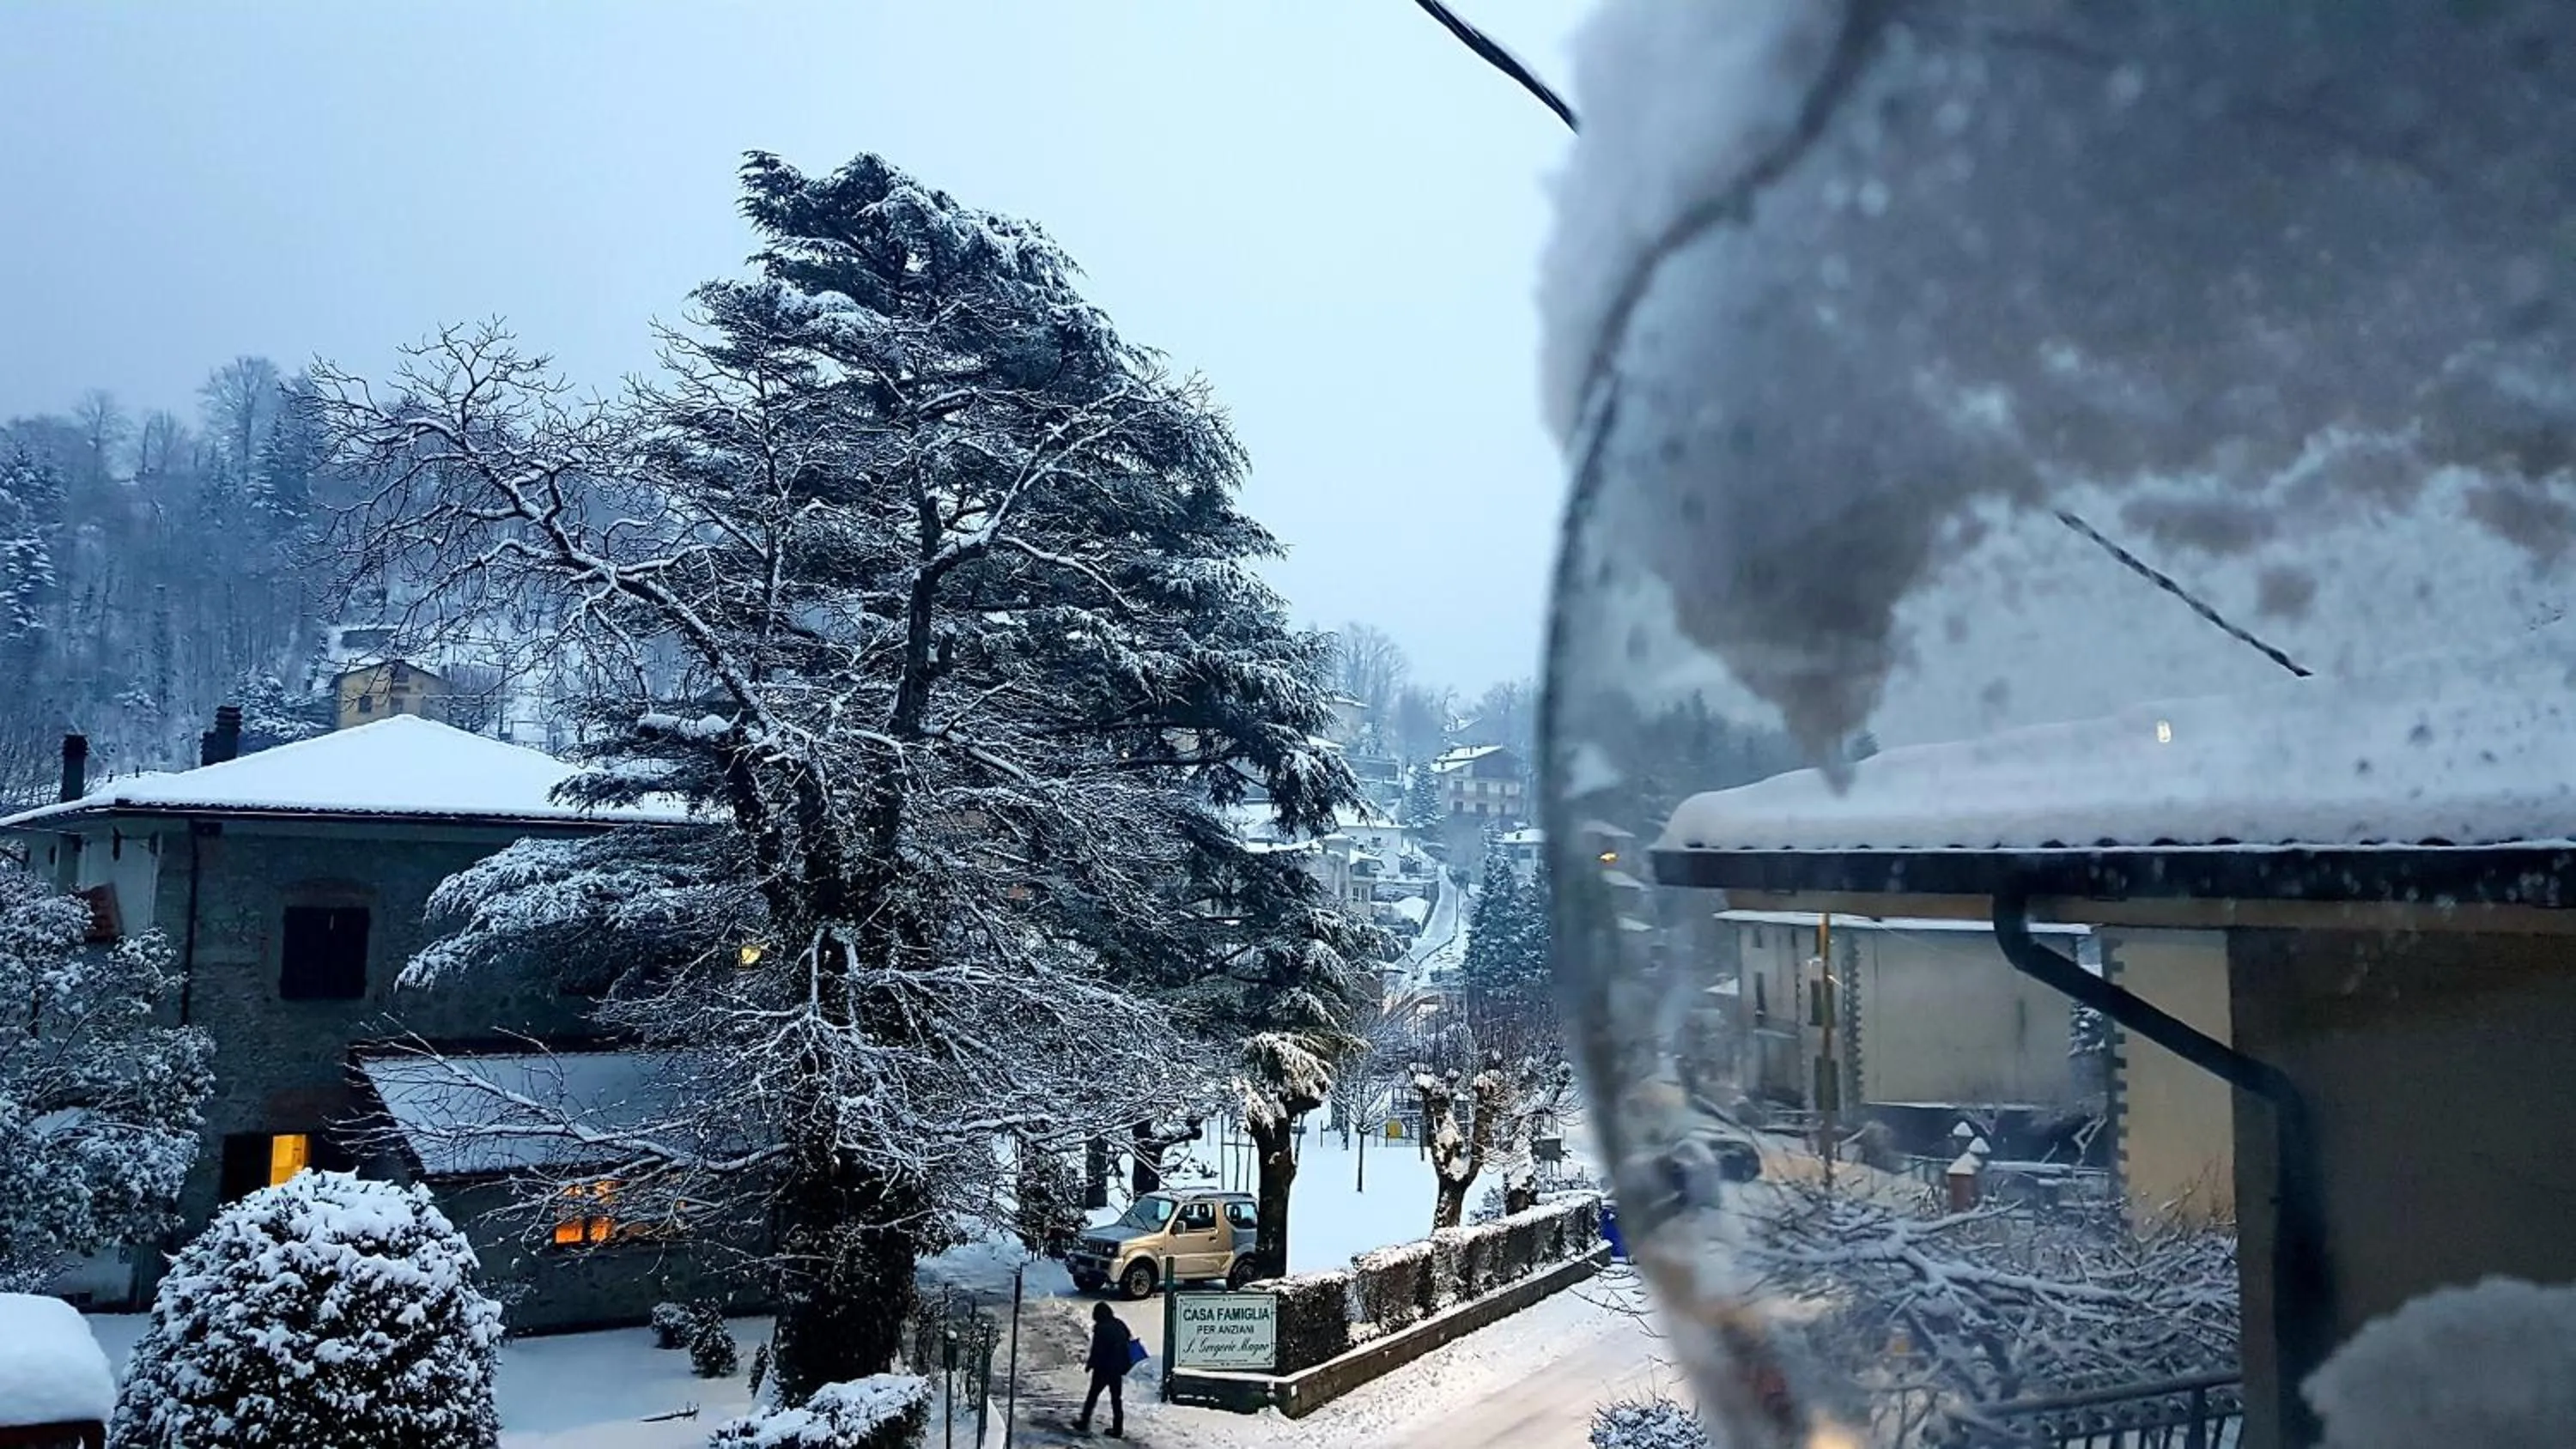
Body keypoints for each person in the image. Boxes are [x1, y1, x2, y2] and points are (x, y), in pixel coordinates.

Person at [1077, 1300, 1133, 1439]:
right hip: (1117, 1368)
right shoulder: (1119, 1324)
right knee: (1116, 1398)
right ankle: (1118, 1428)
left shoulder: (1100, 1328)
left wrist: (1090, 1365)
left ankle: (1084, 1422)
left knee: (1092, 1396)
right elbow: (1128, 1337)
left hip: (1103, 1368)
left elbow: (1097, 1350)